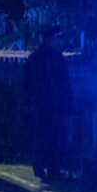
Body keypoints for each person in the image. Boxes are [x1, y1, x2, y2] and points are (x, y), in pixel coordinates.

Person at [24, 25, 73, 182]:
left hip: (40, 105)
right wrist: (67, 104)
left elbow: (26, 84)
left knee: (40, 137)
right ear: (51, 39)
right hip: (53, 105)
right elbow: (64, 84)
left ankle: (39, 168)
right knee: (53, 137)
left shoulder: (34, 58)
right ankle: (53, 168)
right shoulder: (57, 59)